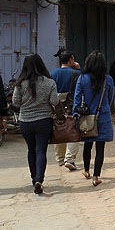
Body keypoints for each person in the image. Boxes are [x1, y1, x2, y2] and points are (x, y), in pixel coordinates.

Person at [13, 54, 59, 194]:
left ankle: (34, 178)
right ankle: (39, 179)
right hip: (43, 122)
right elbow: (54, 102)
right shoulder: (49, 82)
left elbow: (16, 102)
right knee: (41, 150)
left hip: (25, 122)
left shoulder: (20, 83)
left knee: (31, 150)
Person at [74, 51, 114, 187]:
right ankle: (96, 176)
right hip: (103, 116)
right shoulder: (108, 79)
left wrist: (76, 115)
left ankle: (86, 171)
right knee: (100, 147)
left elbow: (77, 99)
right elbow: (110, 98)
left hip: (87, 117)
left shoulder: (82, 78)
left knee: (87, 144)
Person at [50, 50, 81, 170]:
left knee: (58, 129)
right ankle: (70, 159)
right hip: (72, 105)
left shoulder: (53, 74)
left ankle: (60, 159)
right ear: (70, 61)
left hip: (56, 105)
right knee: (73, 131)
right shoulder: (76, 73)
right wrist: (78, 68)